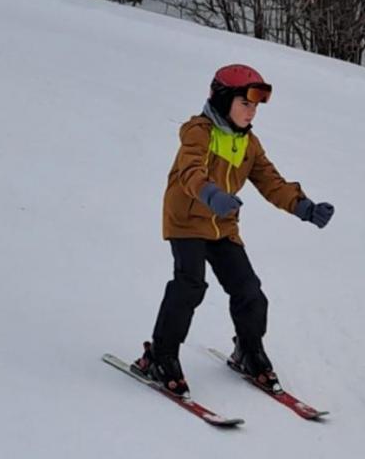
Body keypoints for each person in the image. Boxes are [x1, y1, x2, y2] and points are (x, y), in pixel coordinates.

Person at [135, 63, 334, 396]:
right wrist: (211, 195)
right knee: (190, 285)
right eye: (245, 103)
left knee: (249, 290)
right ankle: (160, 355)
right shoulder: (199, 131)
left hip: (222, 226)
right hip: (186, 221)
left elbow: (271, 182)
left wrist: (304, 208)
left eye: (255, 105)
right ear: (223, 99)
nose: (251, 111)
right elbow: (190, 170)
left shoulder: (249, 143)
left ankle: (248, 350)